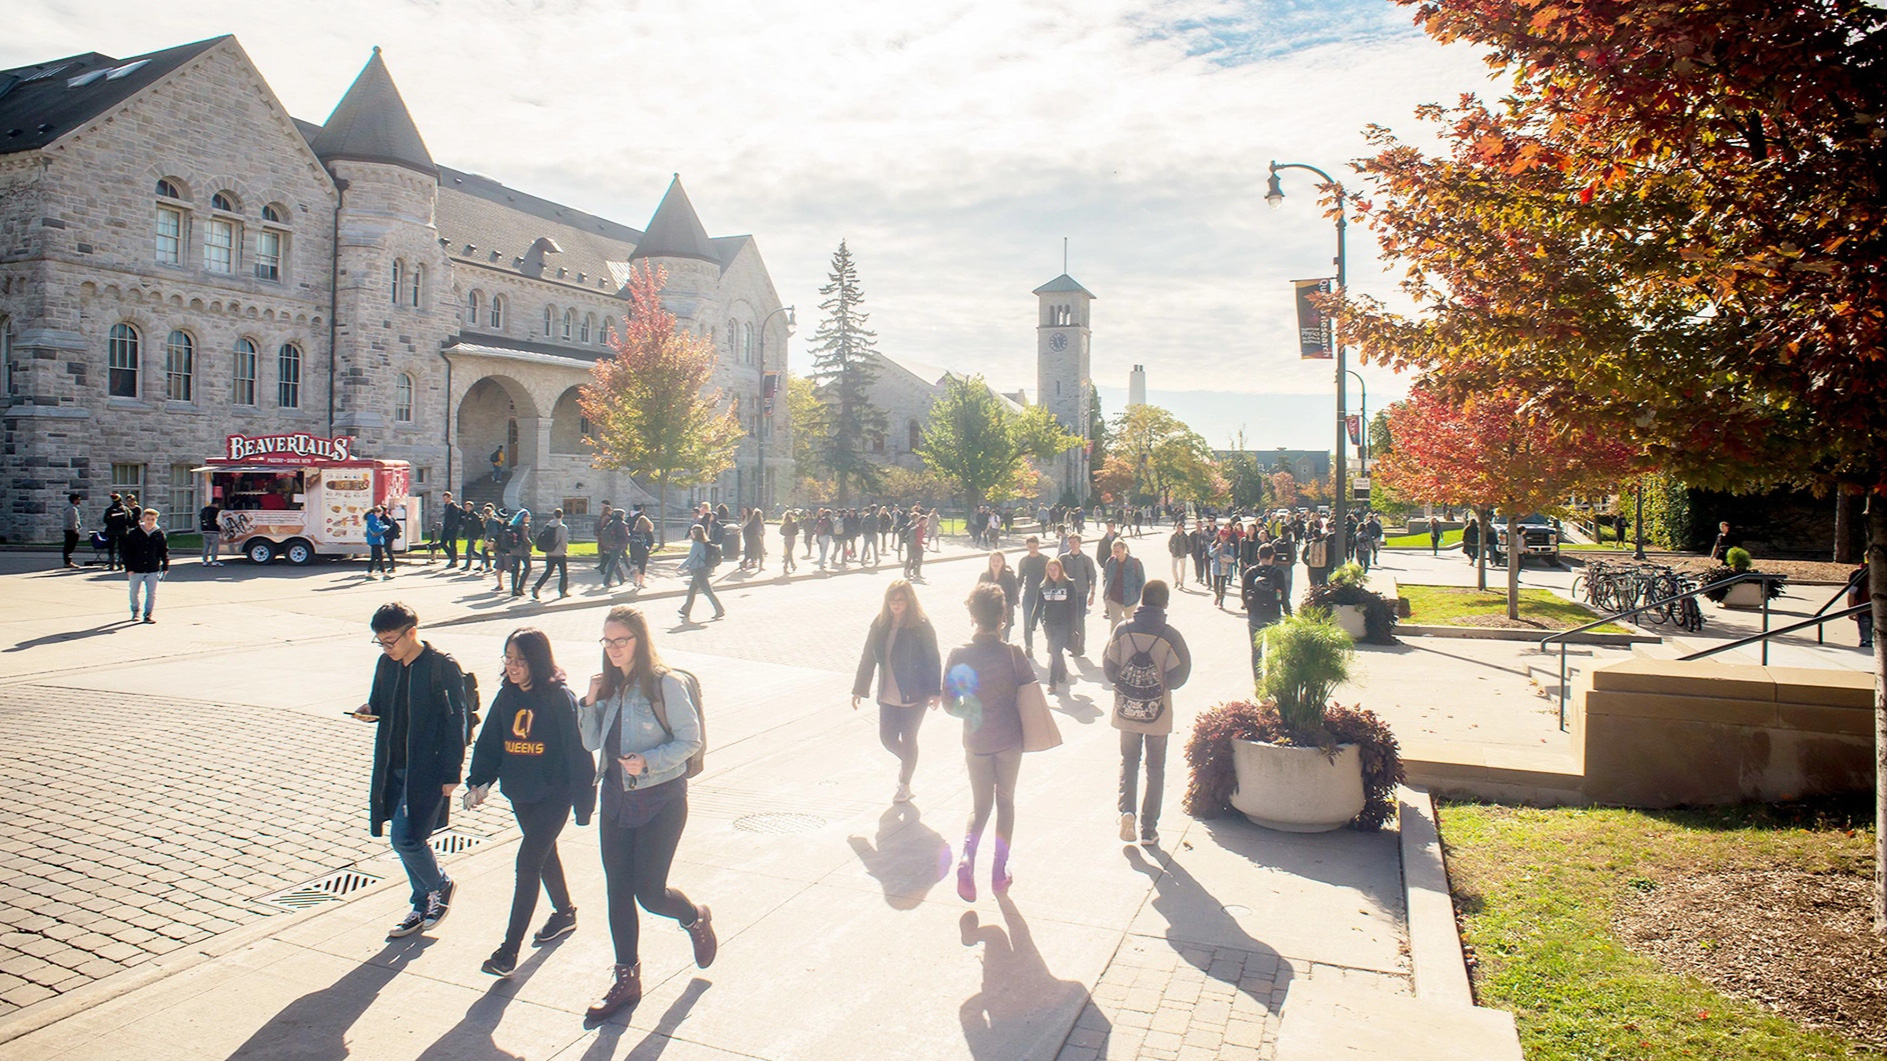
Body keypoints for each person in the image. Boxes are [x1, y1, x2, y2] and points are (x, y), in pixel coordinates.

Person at [577, 605, 716, 1021]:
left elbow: (689, 740)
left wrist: (649, 761)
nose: (615, 648)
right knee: (617, 889)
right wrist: (589, 700)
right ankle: (627, 979)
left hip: (661, 800)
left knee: (649, 893)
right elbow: (589, 743)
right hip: (616, 800)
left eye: (622, 640)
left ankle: (694, 917)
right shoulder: (610, 687)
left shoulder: (664, 683)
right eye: (608, 640)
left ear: (640, 640)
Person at [463, 628, 595, 978]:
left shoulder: (559, 697)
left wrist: (584, 802)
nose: (513, 666)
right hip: (521, 793)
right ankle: (565, 912)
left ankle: (508, 951)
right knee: (544, 853)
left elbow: (578, 751)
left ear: (538, 661)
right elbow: (490, 741)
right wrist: (479, 781)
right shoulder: (507, 695)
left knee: (527, 862)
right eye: (508, 658)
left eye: (521, 660)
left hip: (554, 795)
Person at [353, 602, 471, 940]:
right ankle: (421, 905)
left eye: (391, 640)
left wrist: (452, 773)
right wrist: (368, 711)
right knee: (408, 837)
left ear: (412, 632)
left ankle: (440, 885)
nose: (387, 648)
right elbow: (378, 702)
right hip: (393, 765)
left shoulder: (440, 666)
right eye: (381, 642)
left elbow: (456, 722)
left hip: (428, 768)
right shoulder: (385, 665)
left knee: (405, 838)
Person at [942, 582, 1035, 902]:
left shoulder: (959, 654)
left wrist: (973, 711)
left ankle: (967, 860)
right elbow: (1031, 694)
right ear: (1002, 617)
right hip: (1009, 739)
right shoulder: (1013, 655)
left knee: (980, 806)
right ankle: (999, 870)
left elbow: (950, 703)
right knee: (1005, 802)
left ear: (972, 616)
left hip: (976, 739)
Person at [1102, 579, 1191, 847]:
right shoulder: (1170, 635)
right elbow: (1180, 674)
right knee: (1155, 768)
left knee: (1128, 762)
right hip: (1157, 712)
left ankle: (1126, 811)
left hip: (1127, 709)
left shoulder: (1123, 629)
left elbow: (1109, 666)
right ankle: (1149, 829)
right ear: (1165, 603)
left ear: (1141, 599)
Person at [852, 580, 943, 802]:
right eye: (892, 600)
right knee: (887, 738)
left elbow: (933, 659)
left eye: (901, 600)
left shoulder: (920, 625)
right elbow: (868, 656)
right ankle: (909, 762)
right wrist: (859, 689)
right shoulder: (880, 624)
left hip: (915, 693)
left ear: (909, 601)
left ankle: (904, 784)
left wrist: (935, 691)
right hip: (888, 693)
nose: (896, 605)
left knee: (909, 738)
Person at [1241, 543, 1293, 682]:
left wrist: (1251, 610)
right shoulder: (1278, 573)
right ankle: (1270, 681)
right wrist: (1289, 616)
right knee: (1271, 651)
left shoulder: (1250, 573)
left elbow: (1244, 596)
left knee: (1256, 652)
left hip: (1255, 617)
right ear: (1272, 556)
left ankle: (1259, 684)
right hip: (1273, 616)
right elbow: (1285, 598)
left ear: (1258, 556)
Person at [1031, 558, 1077, 691]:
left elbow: (1074, 607)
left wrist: (1074, 627)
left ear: (1060, 569)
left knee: (1055, 651)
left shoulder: (1068, 584)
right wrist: (1032, 622)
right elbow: (1038, 605)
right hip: (1049, 624)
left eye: (1055, 569)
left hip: (1064, 624)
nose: (1052, 572)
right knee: (1056, 651)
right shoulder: (1043, 585)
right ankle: (1062, 672)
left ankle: (1052, 682)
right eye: (1050, 570)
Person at [122, 507, 168, 623]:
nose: (150, 522)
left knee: (151, 593)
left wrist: (165, 566)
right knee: (134, 592)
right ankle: (135, 611)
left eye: (153, 519)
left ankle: (148, 614)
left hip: (152, 568)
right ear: (143, 519)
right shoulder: (134, 533)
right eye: (148, 519)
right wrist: (129, 568)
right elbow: (127, 551)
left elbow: (163, 551)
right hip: (136, 568)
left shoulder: (159, 534)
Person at [1057, 534, 1098, 656]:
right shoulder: (1063, 559)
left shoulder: (1086, 560)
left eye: (1074, 542)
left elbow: (1093, 577)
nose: (1072, 545)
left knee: (1079, 620)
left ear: (1079, 543)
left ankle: (1080, 646)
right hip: (1066, 595)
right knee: (1068, 620)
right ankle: (1071, 645)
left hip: (1081, 594)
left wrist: (1092, 594)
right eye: (1070, 542)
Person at [677, 524, 724, 622]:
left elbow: (691, 558)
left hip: (699, 570)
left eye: (692, 532)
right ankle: (686, 609)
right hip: (703, 569)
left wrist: (680, 567)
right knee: (692, 590)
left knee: (707, 591)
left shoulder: (697, 545)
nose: (691, 534)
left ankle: (719, 610)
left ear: (695, 534)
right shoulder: (705, 542)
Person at [1102, 539, 1147, 627]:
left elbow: (1141, 582)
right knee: (1115, 624)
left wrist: (1136, 596)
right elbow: (1106, 577)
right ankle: (1115, 640)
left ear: (1124, 550)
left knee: (1130, 625)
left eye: (1118, 551)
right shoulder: (1110, 562)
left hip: (1130, 600)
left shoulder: (1135, 563)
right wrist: (1107, 594)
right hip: (1114, 599)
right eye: (1114, 552)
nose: (1116, 554)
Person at [977, 551, 1021, 641]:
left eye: (998, 561)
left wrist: (1003, 610)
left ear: (1003, 562)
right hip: (987, 617)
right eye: (993, 560)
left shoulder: (1009, 577)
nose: (995, 563)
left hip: (1004, 616)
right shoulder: (984, 576)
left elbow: (1014, 597)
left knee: (1003, 642)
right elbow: (978, 594)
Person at [1016, 536, 1049, 656]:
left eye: (1034, 547)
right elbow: (1020, 579)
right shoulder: (1024, 561)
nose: (1032, 549)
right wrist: (1016, 595)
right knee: (1028, 623)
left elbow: (1052, 577)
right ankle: (1028, 647)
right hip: (1029, 596)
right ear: (1027, 546)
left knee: (1045, 621)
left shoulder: (1045, 560)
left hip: (1043, 596)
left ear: (1038, 545)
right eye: (1030, 547)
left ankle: (1050, 642)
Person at [532, 508, 570, 600]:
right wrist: (565, 550)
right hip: (560, 553)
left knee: (548, 572)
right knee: (563, 573)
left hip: (549, 552)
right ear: (562, 516)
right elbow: (563, 542)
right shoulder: (562, 527)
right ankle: (563, 591)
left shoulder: (548, 526)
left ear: (553, 516)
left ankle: (537, 586)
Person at [598, 505, 630, 589]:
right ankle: (606, 581)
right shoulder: (622, 524)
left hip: (610, 545)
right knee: (613, 563)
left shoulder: (611, 523)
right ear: (621, 515)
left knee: (615, 561)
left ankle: (621, 578)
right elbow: (626, 536)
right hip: (618, 545)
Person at [508, 510, 534, 598]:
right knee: (528, 568)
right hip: (523, 551)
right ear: (524, 517)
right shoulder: (524, 527)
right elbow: (525, 538)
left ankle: (514, 590)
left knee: (515, 569)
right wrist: (531, 545)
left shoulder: (513, 526)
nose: (529, 518)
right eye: (528, 516)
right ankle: (520, 587)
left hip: (514, 550)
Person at [365, 505, 396, 580]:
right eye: (380, 513)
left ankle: (369, 574)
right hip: (375, 540)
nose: (381, 515)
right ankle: (384, 574)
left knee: (374, 557)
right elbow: (376, 529)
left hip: (374, 540)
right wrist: (385, 527)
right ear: (376, 512)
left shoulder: (373, 519)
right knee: (379, 557)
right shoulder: (373, 519)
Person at [1210, 529, 1239, 608]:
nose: (1223, 537)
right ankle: (1217, 595)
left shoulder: (1229, 546)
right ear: (1219, 535)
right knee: (1216, 586)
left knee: (1222, 586)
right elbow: (1210, 554)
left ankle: (1221, 602)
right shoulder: (1214, 544)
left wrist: (1225, 558)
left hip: (1225, 568)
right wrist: (1216, 549)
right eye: (1222, 535)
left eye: (1225, 536)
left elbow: (1233, 558)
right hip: (1216, 567)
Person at [628, 512, 655, 591]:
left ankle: (635, 580)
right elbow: (651, 541)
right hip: (643, 551)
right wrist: (648, 548)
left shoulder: (634, 531)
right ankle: (641, 582)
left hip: (634, 550)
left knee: (638, 566)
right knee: (642, 567)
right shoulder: (647, 532)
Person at [103, 493, 129, 571]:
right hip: (122, 531)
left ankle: (111, 563)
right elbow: (129, 520)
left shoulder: (109, 510)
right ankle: (120, 563)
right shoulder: (125, 509)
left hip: (111, 531)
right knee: (122, 547)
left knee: (111, 547)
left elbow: (105, 520)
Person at [198, 495, 224, 567]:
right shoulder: (216, 511)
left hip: (205, 530)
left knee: (206, 546)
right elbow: (219, 521)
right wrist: (220, 529)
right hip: (214, 531)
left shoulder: (204, 510)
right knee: (214, 547)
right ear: (217, 504)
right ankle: (214, 561)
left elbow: (199, 519)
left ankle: (204, 561)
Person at [1850, 563, 1872, 649]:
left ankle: (1866, 642)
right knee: (1866, 638)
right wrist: (1851, 609)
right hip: (1863, 609)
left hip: (1873, 609)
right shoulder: (1859, 574)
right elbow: (1852, 593)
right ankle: (1866, 642)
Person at [461, 500, 484, 570]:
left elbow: (477, 527)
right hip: (469, 535)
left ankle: (468, 565)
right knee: (472, 551)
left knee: (468, 551)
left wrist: (475, 537)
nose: (467, 508)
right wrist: (462, 535)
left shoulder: (474, 515)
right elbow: (466, 527)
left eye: (468, 507)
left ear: (471, 507)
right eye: (466, 506)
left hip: (473, 536)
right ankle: (484, 558)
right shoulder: (466, 516)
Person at [1166, 523, 1191, 588]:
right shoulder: (1173, 536)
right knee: (1173, 568)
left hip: (1182, 555)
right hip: (1175, 554)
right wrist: (1172, 550)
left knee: (1182, 569)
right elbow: (1170, 544)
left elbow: (1190, 545)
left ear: (1183, 528)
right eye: (1178, 528)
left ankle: (1181, 582)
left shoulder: (1185, 537)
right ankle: (1176, 580)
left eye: (1180, 528)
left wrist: (1186, 551)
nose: (1179, 529)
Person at [62, 493, 82, 569]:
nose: (79, 501)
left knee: (68, 546)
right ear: (75, 500)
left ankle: (68, 561)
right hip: (71, 530)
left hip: (68, 529)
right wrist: (76, 530)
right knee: (70, 547)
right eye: (78, 499)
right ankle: (68, 562)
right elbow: (73, 521)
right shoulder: (72, 509)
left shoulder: (69, 508)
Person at [779, 510, 799, 575]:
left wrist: (786, 534)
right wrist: (792, 533)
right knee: (789, 552)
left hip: (786, 539)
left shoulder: (784, 523)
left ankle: (792, 565)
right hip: (792, 539)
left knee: (789, 552)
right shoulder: (794, 523)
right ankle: (786, 566)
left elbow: (781, 532)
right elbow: (797, 532)